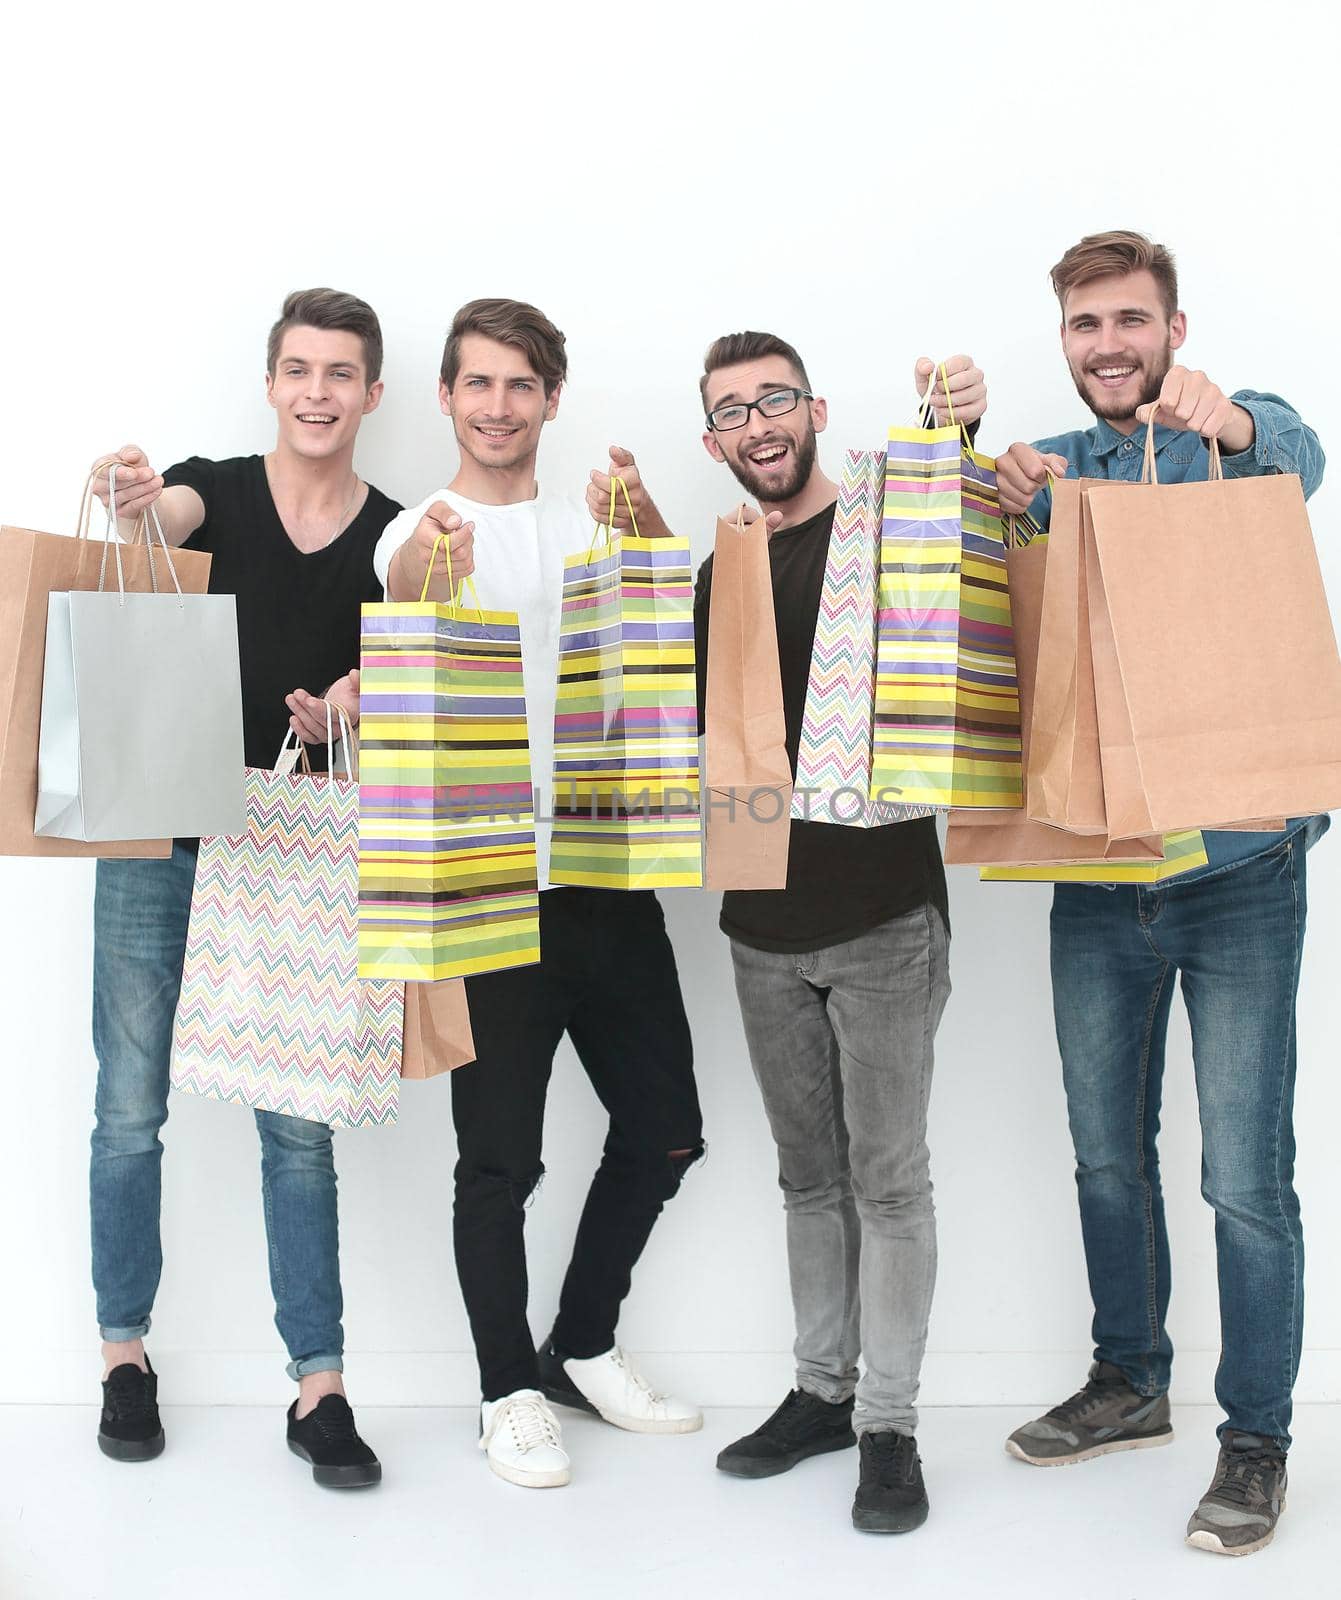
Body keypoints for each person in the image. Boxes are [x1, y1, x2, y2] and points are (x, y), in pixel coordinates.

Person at [88, 287, 467, 1488]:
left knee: (298, 1129)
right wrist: (136, 494)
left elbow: (425, 659)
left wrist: (358, 698)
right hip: (160, 819)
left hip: (297, 845)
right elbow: (169, 512)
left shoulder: (398, 534)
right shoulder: (218, 487)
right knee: (126, 1111)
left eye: (340, 372)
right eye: (298, 369)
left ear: (373, 392)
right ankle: (122, 1357)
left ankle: (319, 1386)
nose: (318, 391)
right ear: (271, 382)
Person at [995, 230, 1326, 1557]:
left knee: (1245, 1172)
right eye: (1086, 326)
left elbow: (1301, 453)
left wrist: (1232, 416)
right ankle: (1130, 1381)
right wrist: (984, 486)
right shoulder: (1057, 468)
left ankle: (1255, 1437)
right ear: (1066, 340)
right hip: (1097, 868)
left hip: (1243, 868)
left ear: (1173, 329)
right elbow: (1000, 607)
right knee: (1102, 1152)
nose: (1109, 345)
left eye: (1131, 321)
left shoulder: (1235, 437)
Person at [640, 331, 983, 1534]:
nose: (758, 423)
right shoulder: (718, 570)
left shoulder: (885, 528)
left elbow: (954, 540)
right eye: (732, 410)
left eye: (774, 398)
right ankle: (821, 1391)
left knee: (890, 1179)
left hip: (886, 912)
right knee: (807, 1178)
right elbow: (694, 737)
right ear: (714, 440)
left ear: (816, 408)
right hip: (761, 927)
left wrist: (958, 428)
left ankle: (890, 1424)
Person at [374, 297, 703, 1491]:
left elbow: (663, 640)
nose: (499, 407)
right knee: (497, 1164)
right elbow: (404, 590)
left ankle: (583, 1344)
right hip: (488, 887)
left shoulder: (589, 525)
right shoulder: (424, 526)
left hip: (610, 877)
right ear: (449, 398)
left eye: (521, 386)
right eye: (478, 385)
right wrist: (429, 571)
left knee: (667, 1129)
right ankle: (506, 1388)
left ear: (551, 398)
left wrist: (651, 533)